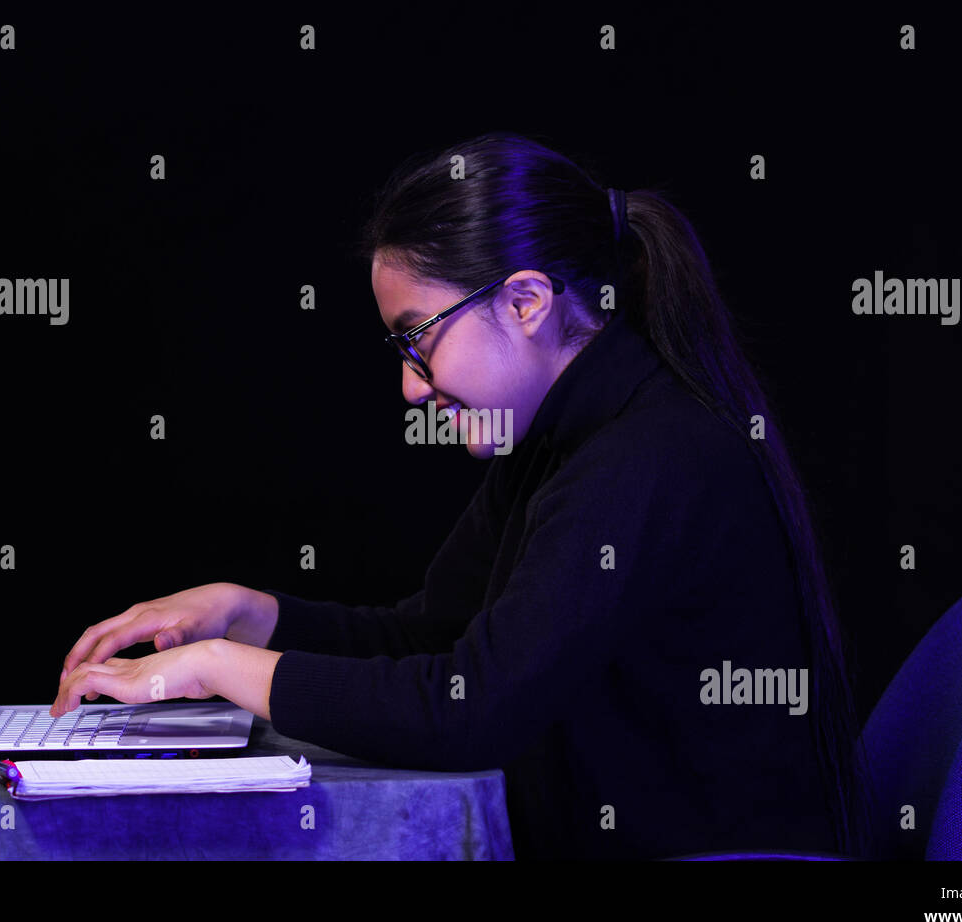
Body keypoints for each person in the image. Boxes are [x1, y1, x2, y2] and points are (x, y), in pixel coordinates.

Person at [52, 131, 874, 861]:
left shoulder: (647, 456)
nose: (410, 387)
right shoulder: (556, 434)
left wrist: (222, 668)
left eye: (419, 337)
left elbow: (472, 708)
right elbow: (433, 637)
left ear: (525, 301)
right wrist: (250, 613)